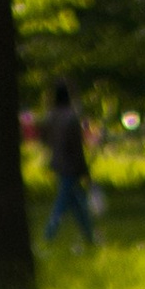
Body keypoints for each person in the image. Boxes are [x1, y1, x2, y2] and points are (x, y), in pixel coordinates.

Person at [34, 79, 98, 246]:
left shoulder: (50, 117)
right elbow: (76, 148)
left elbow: (44, 139)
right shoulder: (71, 118)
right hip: (71, 165)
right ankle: (49, 233)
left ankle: (90, 237)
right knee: (62, 203)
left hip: (57, 163)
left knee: (77, 204)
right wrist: (84, 170)